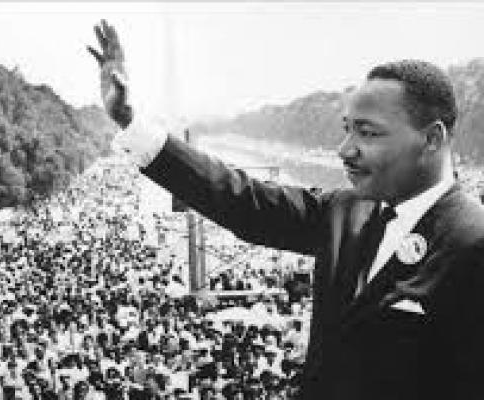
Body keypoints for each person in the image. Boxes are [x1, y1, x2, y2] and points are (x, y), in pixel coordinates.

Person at [88, 20, 484, 400]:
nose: (344, 150)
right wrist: (130, 121)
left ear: (432, 139)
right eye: (346, 129)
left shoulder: (472, 243)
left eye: (367, 132)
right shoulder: (345, 211)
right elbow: (241, 200)